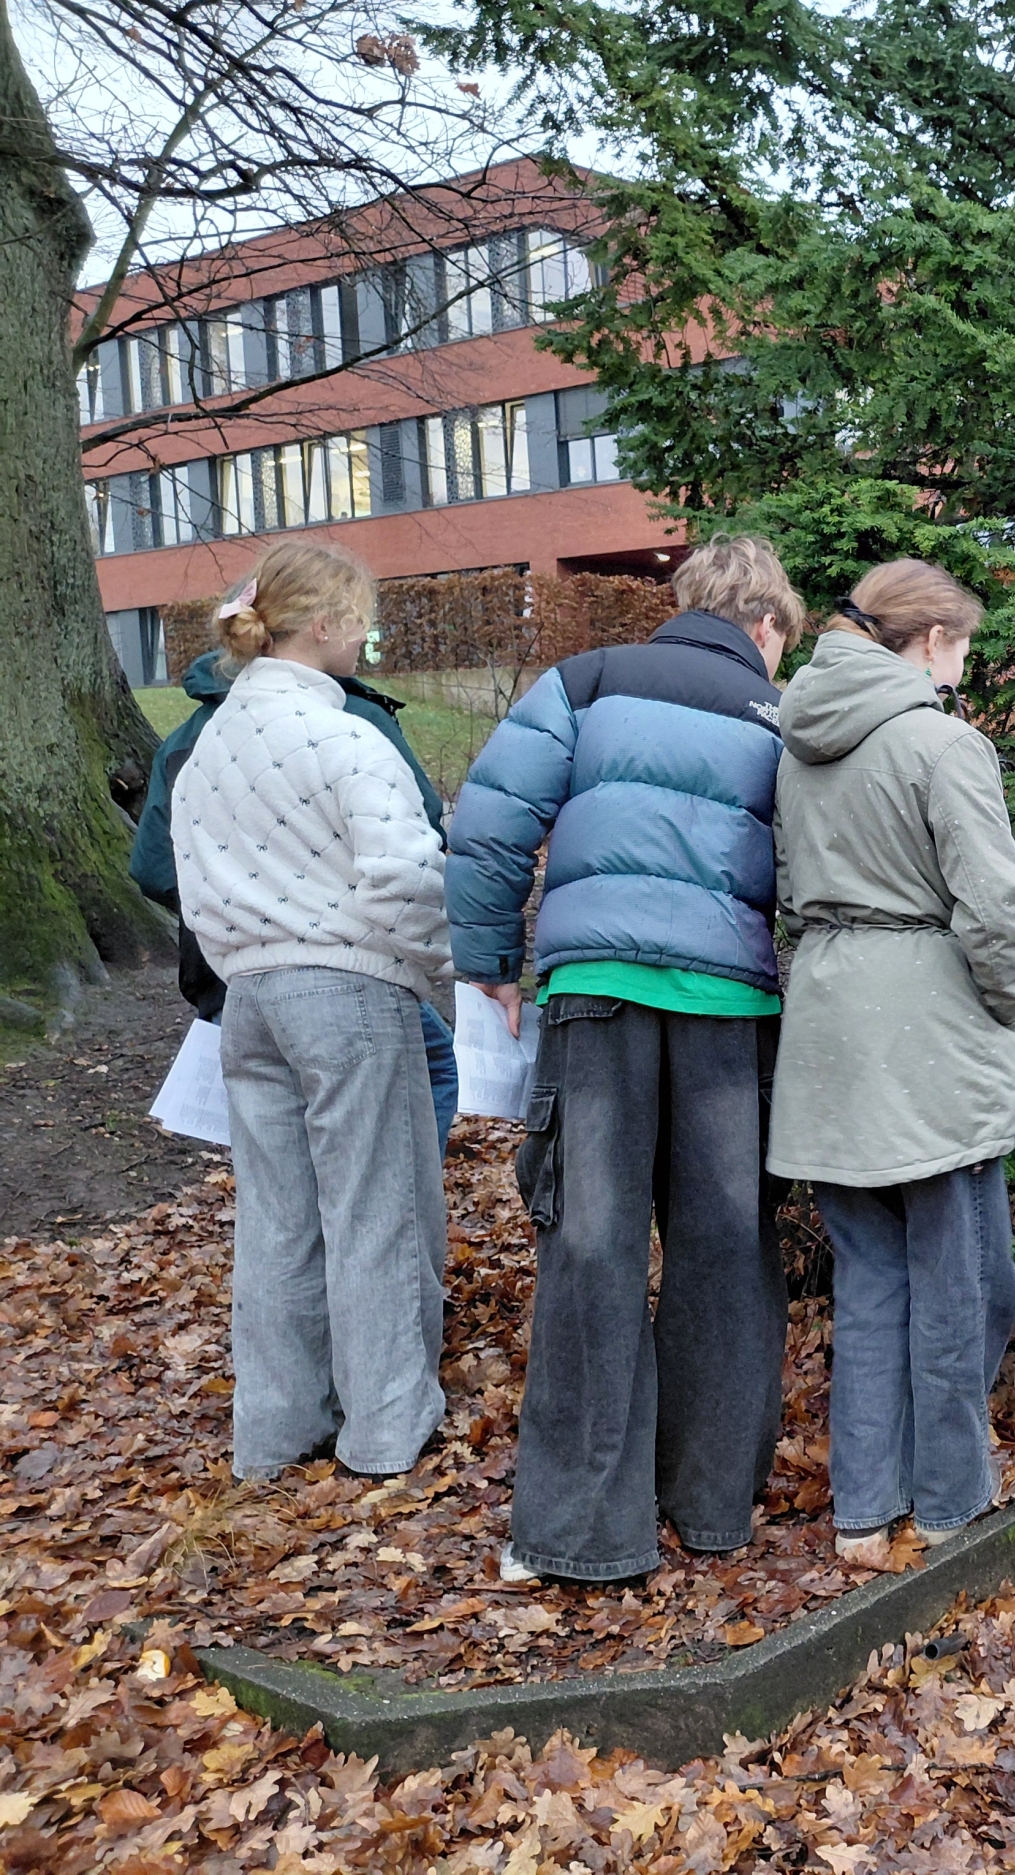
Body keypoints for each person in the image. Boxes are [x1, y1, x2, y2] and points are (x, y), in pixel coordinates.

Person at [448, 536, 800, 1583]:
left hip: (596, 994)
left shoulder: (586, 680)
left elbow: (490, 821)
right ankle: (710, 1507)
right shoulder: (780, 716)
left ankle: (580, 1530)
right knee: (726, 1249)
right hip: (730, 1008)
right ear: (767, 625)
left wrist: (490, 961)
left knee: (592, 1248)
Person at [168, 540, 452, 1480]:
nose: (366, 634)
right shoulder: (344, 737)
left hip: (249, 998)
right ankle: (386, 1428)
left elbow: (186, 880)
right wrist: (446, 967)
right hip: (348, 988)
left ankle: (276, 1434)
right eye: (359, 616)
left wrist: (243, 962)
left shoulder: (209, 748)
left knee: (277, 1220)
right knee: (376, 1209)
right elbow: (405, 878)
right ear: (324, 623)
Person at [767, 559, 1015, 1557]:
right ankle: (949, 1499)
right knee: (962, 1278)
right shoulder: (942, 743)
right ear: (932, 639)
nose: (963, 670)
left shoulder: (796, 744)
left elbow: (789, 889)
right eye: (962, 649)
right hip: (928, 1028)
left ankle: (863, 1512)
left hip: (829, 1017)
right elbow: (993, 906)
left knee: (872, 1279)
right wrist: (1003, 1006)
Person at [133, 644, 461, 1153]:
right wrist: (448, 956)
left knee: (278, 1157)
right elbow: (415, 842)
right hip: (347, 970)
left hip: (229, 976)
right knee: (420, 1087)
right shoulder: (350, 717)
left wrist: (232, 904)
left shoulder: (186, 741)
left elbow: (152, 867)